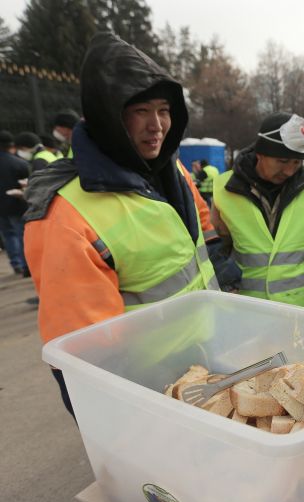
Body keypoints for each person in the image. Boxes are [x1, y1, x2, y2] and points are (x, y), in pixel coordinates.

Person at [23, 32, 219, 418]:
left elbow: (200, 238)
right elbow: (83, 354)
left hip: (202, 364)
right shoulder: (67, 214)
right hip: (146, 390)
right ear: (107, 116)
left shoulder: (170, 171)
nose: (157, 125)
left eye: (164, 110)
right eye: (140, 110)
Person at [211, 112, 304, 313]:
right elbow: (215, 251)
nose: (289, 171)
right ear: (260, 153)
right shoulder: (224, 189)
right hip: (247, 312)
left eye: (296, 163)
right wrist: (225, 285)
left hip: (300, 313)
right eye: (282, 161)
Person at [0, 130, 31, 276]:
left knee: (8, 235)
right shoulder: (20, 163)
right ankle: (26, 265)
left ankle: (16, 264)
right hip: (18, 205)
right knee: (22, 235)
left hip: (1, 208)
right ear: (11, 145)